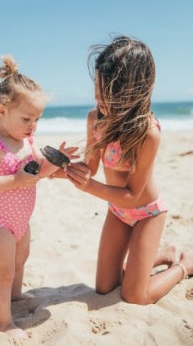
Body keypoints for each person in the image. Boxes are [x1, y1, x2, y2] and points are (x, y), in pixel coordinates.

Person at [66, 36, 193, 305]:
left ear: (133, 91)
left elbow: (134, 195)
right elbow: (89, 168)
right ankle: (161, 254)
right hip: (117, 211)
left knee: (135, 295)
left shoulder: (148, 132)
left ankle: (183, 266)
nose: (98, 96)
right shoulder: (95, 119)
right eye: (97, 86)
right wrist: (60, 168)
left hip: (147, 212)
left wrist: (87, 186)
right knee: (104, 287)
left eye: (107, 90)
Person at [0, 55, 78, 340]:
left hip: (22, 220)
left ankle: (15, 296)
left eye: (38, 119)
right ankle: (4, 323)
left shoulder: (27, 141)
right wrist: (15, 180)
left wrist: (56, 163)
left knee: (20, 262)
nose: (33, 125)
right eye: (27, 118)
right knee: (4, 273)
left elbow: (36, 173)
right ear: (2, 110)